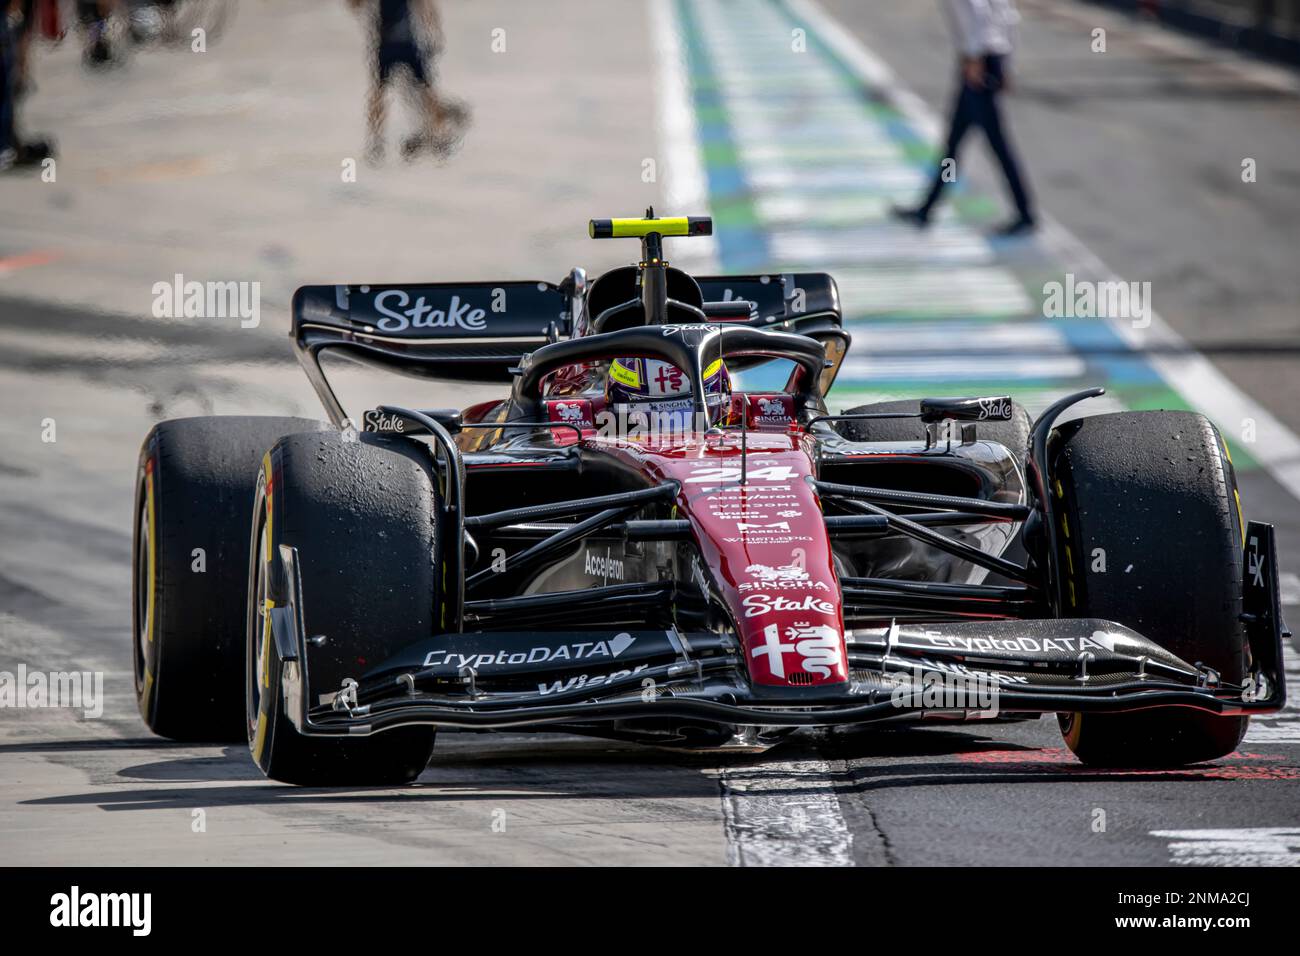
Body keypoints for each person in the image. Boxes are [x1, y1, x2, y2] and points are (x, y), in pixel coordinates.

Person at [893, 0, 1036, 236]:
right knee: (955, 144)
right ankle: (926, 209)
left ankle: (1025, 213)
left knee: (995, 145)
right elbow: (1008, 17)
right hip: (989, 60)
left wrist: (973, 58)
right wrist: (1006, 65)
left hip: (978, 63)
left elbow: (977, 13)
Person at [349, 0, 465, 163]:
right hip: (403, 42)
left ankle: (376, 140)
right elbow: (426, 6)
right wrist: (434, 30)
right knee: (422, 90)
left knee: (384, 91)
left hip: (391, 42)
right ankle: (439, 136)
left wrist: (433, 29)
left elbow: (355, 6)